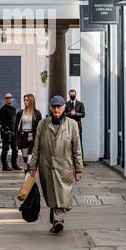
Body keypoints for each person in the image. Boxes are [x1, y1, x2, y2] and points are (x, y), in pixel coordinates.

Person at [29, 96, 83, 234]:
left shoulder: (72, 125)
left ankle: (58, 220)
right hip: (46, 166)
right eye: (54, 107)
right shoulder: (43, 124)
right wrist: (32, 167)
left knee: (62, 194)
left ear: (64, 107)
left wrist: (79, 169)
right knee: (51, 194)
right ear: (50, 108)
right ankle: (56, 219)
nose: (56, 109)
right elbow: (36, 148)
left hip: (65, 166)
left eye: (59, 107)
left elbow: (77, 149)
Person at [15, 94, 42, 173]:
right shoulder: (20, 113)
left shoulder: (37, 113)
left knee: (30, 159)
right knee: (25, 159)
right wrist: (16, 141)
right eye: (24, 100)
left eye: (27, 100)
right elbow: (16, 127)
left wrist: (40, 139)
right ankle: (27, 176)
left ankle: (29, 178)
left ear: (31, 101)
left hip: (32, 137)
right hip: (23, 137)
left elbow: (40, 127)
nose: (25, 102)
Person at [0, 93, 22, 171]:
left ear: (12, 99)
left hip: (14, 132)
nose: (9, 99)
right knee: (5, 149)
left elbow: (15, 122)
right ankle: (5, 166)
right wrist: (7, 130)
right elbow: (2, 121)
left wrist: (16, 132)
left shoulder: (14, 109)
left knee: (15, 149)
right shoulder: (2, 109)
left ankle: (14, 164)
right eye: (7, 98)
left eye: (10, 97)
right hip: (6, 133)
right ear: (5, 99)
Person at [65, 89, 86, 165]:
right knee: (68, 142)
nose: (72, 96)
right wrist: (70, 113)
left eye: (73, 94)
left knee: (79, 142)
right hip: (69, 125)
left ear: (75, 95)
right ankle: (70, 160)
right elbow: (63, 114)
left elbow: (83, 114)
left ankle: (81, 161)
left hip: (78, 125)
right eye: (71, 94)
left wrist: (76, 114)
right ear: (69, 95)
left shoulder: (80, 104)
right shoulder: (66, 104)